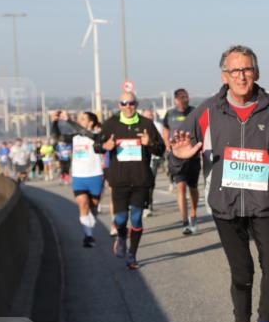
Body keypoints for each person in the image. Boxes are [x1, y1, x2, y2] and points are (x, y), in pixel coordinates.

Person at [171, 46, 269, 322]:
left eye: (247, 69)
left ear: (256, 73)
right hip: (225, 205)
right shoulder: (206, 111)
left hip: (265, 202)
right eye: (235, 71)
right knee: (241, 273)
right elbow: (179, 152)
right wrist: (179, 158)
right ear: (224, 76)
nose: (241, 76)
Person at [97, 91, 165, 270]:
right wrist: (105, 146)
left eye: (131, 103)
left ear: (137, 104)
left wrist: (150, 143)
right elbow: (97, 146)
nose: (128, 107)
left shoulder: (146, 124)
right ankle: (121, 236)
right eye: (124, 103)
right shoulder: (111, 124)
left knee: (136, 218)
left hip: (140, 180)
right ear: (119, 105)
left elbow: (161, 149)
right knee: (120, 218)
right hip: (119, 180)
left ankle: (132, 254)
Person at [56, 112, 104, 248]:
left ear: (91, 123)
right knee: (82, 204)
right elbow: (57, 137)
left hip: (95, 175)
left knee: (93, 206)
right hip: (78, 176)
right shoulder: (75, 137)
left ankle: (90, 227)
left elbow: (85, 132)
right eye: (78, 119)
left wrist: (69, 120)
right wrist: (55, 122)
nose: (79, 121)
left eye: (83, 119)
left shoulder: (97, 135)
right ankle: (88, 236)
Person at [162, 88, 201, 234]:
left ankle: (193, 215)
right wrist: (167, 144)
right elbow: (165, 129)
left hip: (193, 155)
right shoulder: (170, 114)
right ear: (176, 100)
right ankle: (185, 222)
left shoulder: (195, 112)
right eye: (181, 98)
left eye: (186, 97)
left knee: (193, 188)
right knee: (180, 187)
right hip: (176, 157)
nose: (185, 100)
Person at [54, 113, 73, 185]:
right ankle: (61, 179)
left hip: (67, 159)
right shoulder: (59, 145)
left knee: (67, 170)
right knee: (62, 170)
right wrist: (57, 159)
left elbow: (71, 151)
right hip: (61, 159)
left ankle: (66, 180)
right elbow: (56, 152)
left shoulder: (69, 145)